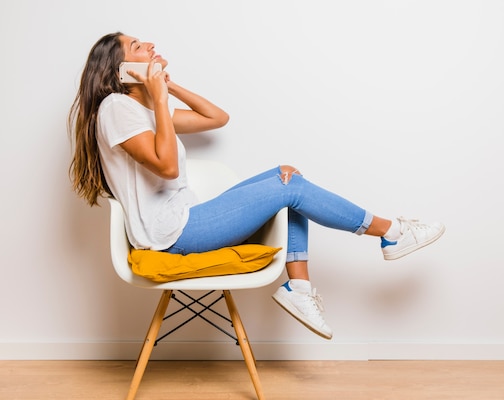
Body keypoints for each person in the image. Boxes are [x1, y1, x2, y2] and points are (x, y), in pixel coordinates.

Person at [69, 32, 445, 340]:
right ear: (121, 72)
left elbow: (216, 117)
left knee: (285, 177)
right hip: (172, 234)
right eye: (137, 46)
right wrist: (160, 98)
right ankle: (390, 232)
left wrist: (166, 87)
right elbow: (167, 167)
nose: (150, 44)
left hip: (187, 218)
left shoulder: (145, 110)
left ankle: (298, 292)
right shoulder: (117, 107)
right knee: (291, 189)